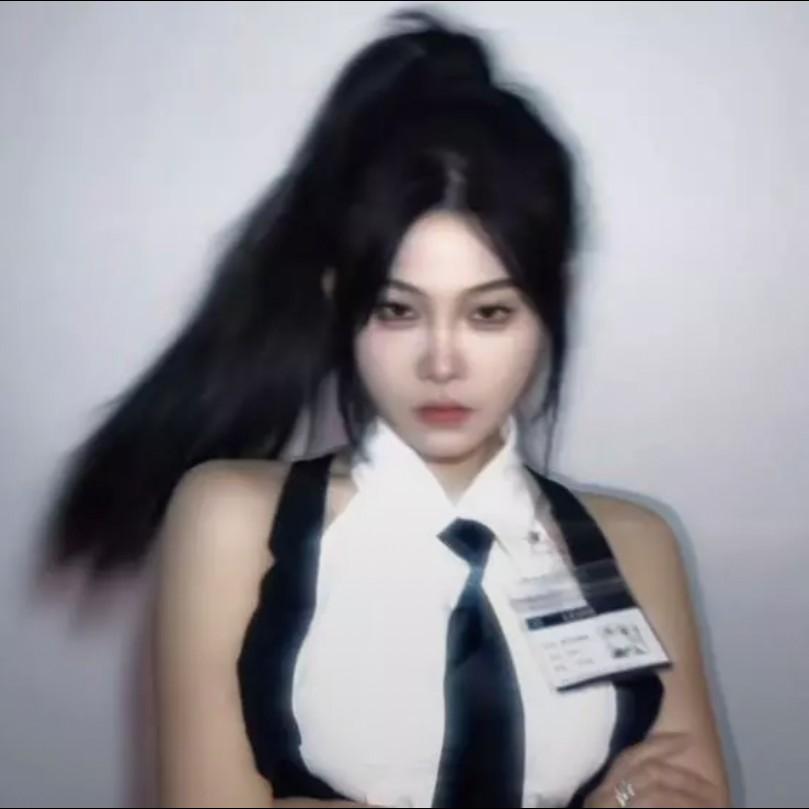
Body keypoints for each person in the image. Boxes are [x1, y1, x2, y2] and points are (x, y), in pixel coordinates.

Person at [42, 8, 731, 808]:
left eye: (489, 313)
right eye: (397, 310)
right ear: (340, 299)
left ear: (554, 304)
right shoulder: (233, 519)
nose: (441, 362)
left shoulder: (633, 544)